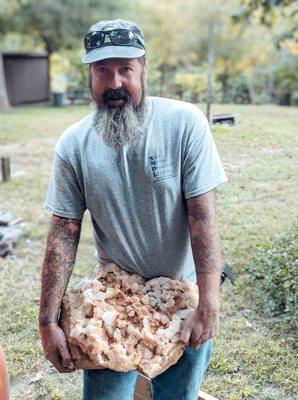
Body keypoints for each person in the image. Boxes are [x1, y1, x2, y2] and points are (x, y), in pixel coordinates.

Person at [39, 18, 228, 400]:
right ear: (89, 76)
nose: (114, 83)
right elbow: (64, 233)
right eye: (102, 71)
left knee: (177, 395)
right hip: (113, 300)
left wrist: (208, 303)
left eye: (126, 69)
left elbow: (202, 220)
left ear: (143, 70)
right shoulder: (74, 144)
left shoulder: (184, 124)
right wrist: (47, 321)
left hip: (182, 295)